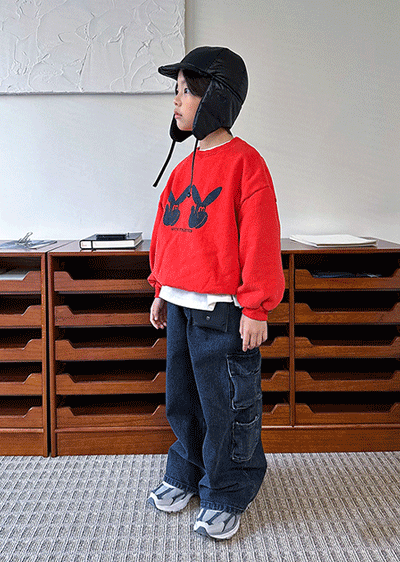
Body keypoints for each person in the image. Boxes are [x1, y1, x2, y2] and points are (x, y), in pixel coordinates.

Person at [147, 46, 285, 540]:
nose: (176, 101)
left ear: (216, 98)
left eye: (186, 91)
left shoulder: (246, 164)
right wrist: (160, 288)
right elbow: (168, 233)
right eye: (176, 91)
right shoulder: (182, 169)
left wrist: (256, 306)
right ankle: (186, 470)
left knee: (226, 404)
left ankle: (226, 489)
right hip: (182, 308)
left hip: (223, 314)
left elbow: (261, 238)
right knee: (182, 399)